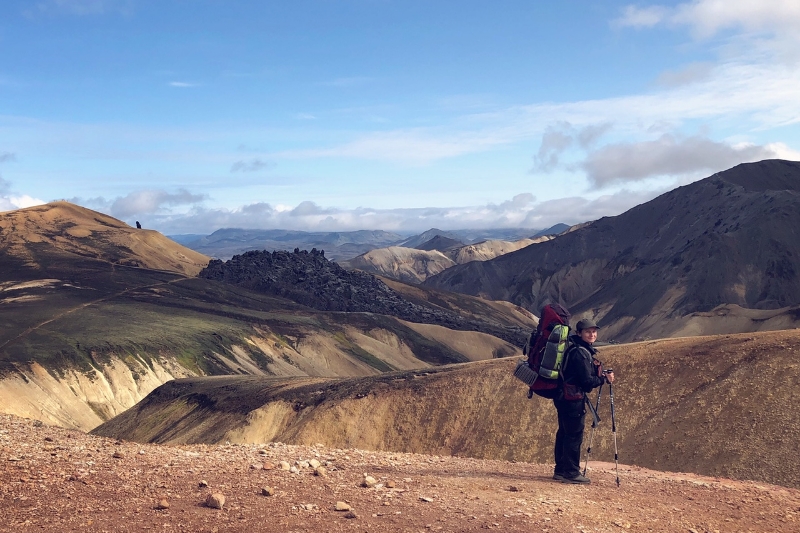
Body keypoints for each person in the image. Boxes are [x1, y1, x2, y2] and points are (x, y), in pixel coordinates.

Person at [552, 318, 614, 484]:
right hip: (572, 399)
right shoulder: (580, 353)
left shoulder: (575, 348)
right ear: (579, 333)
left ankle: (560, 470)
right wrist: (603, 379)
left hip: (562, 397)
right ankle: (571, 473)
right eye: (588, 331)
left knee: (564, 433)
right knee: (574, 435)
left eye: (594, 331)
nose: (592, 334)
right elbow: (587, 382)